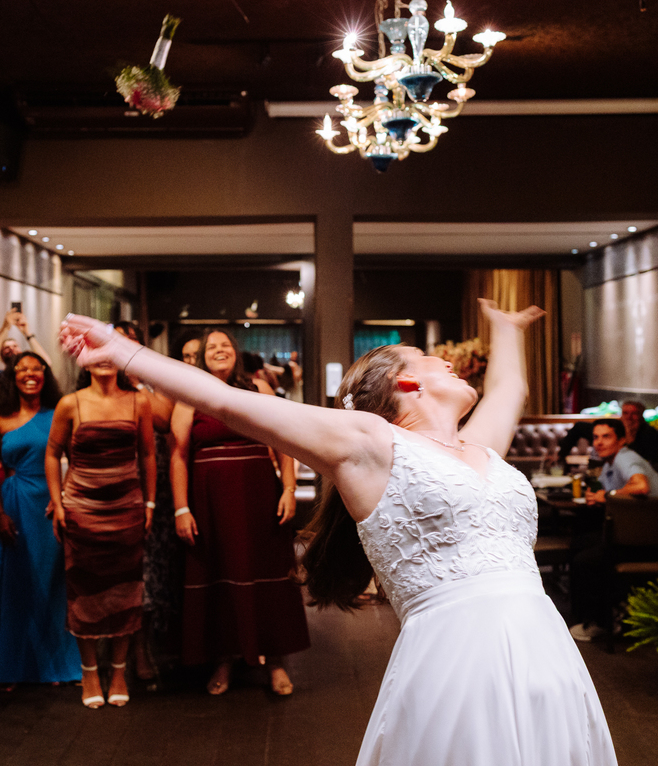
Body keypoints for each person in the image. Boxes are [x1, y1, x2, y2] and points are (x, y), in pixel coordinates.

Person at [59, 302, 616, 765]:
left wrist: (509, 329)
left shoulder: (480, 449)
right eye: (435, 361)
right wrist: (124, 351)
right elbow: (228, 402)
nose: (452, 365)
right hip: (460, 653)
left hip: (544, 645)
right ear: (405, 380)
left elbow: (509, 392)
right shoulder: (370, 442)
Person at [169, 329, 309, 696]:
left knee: (268, 573)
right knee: (219, 576)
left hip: (259, 494)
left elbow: (284, 440)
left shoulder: (258, 391)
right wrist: (181, 507)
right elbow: (178, 455)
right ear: (201, 357)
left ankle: (276, 661)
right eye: (211, 347)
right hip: (210, 501)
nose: (219, 351)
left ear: (236, 354)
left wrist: (290, 489)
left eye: (225, 345)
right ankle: (224, 659)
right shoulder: (189, 398)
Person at [45, 350, 156, 709]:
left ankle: (119, 670)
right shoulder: (70, 403)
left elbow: (149, 454)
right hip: (82, 512)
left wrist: (150, 503)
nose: (103, 361)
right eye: (94, 355)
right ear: (84, 362)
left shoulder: (139, 401)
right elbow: (51, 453)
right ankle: (90, 671)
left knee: (126, 593)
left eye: (109, 354)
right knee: (84, 593)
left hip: (127, 510)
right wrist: (58, 502)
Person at [0, 352, 85, 689]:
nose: (29, 374)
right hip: (14, 502)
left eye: (36, 369)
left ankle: (53, 666)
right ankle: (10, 667)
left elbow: (75, 458)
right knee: (13, 585)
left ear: (45, 375)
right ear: (12, 376)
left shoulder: (59, 412)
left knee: (52, 584)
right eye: (22, 369)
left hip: (50, 505)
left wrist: (62, 495)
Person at [113, 322, 181, 682]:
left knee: (154, 566)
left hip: (155, 482)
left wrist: (134, 376)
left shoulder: (153, 380)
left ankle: (150, 645)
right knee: (125, 567)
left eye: (128, 343)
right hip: (114, 481)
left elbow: (164, 417)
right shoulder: (99, 380)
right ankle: (126, 649)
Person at [570, 418, 658, 641]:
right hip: (634, 535)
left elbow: (641, 485)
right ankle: (586, 616)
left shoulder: (625, 457)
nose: (599, 443)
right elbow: (617, 495)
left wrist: (606, 496)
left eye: (606, 437)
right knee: (580, 543)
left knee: (586, 560)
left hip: (650, 541)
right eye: (596, 437)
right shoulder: (609, 464)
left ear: (622, 440)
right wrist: (599, 497)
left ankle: (601, 624)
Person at [555, 400, 658, 468]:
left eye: (634, 414)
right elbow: (578, 427)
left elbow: (649, 462)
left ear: (641, 416)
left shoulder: (651, 434)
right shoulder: (611, 428)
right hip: (601, 469)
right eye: (625, 413)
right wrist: (560, 455)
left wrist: (630, 437)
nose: (629, 417)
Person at [0, 307, 52, 389]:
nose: (11, 348)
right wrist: (5, 328)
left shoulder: (30, 376)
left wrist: (27, 333)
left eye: (15, 346)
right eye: (6, 348)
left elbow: (47, 363)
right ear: (1, 356)